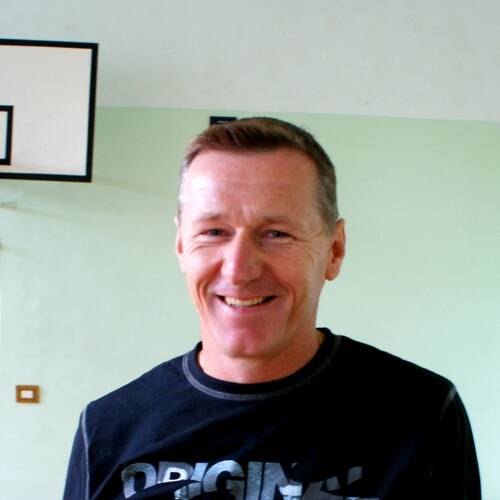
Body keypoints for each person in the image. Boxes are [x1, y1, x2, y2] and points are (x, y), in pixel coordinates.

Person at [64, 117, 481, 499]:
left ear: (334, 251)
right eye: (213, 231)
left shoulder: (422, 413)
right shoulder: (107, 428)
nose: (239, 269)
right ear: (181, 246)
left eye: (277, 233)